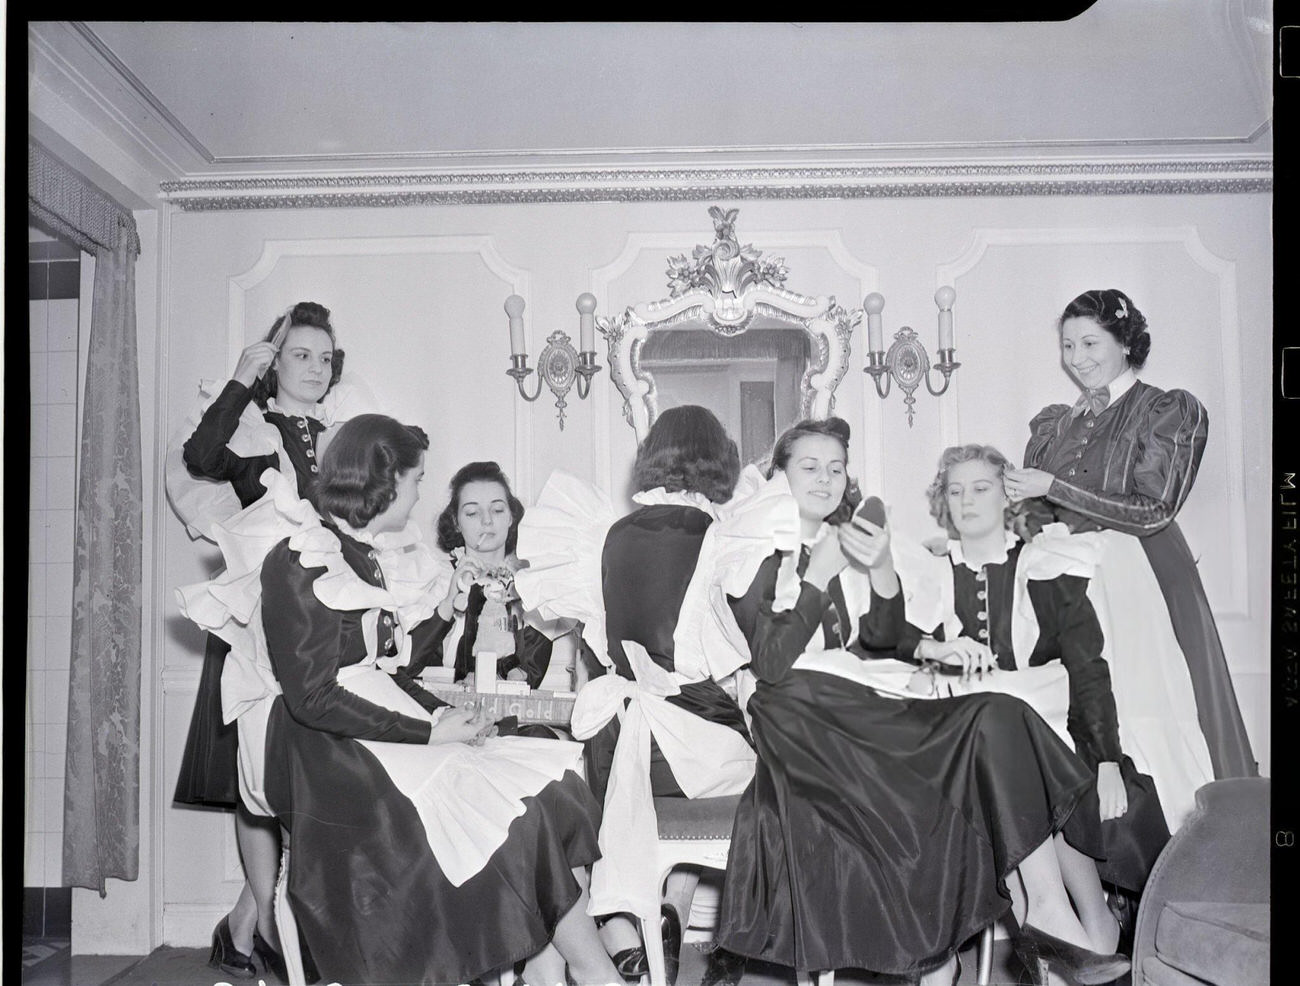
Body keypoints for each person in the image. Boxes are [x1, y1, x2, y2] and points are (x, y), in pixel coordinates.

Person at [714, 418, 1130, 986]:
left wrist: (880, 568)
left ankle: (1049, 914)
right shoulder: (750, 544)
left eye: (836, 468)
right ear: (778, 475)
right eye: (809, 467)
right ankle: (963, 953)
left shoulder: (839, 543)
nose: (826, 479)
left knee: (998, 713)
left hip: (853, 698)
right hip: (797, 714)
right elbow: (769, 662)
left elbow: (881, 637)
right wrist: (817, 580)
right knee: (951, 762)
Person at [253, 414, 620, 986]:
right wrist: (430, 731)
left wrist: (443, 711)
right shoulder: (301, 556)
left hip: (372, 728)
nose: (419, 491)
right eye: (416, 478)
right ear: (387, 479)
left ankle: (557, 968)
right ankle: (592, 970)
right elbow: (314, 697)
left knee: (559, 788)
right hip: (329, 756)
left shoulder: (358, 551)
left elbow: (386, 666)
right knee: (515, 817)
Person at [514, 405, 757, 985]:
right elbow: (744, 652)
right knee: (771, 777)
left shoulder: (604, 535)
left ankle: (636, 920)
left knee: (618, 807)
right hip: (694, 745)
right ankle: (674, 906)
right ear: (719, 461)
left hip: (619, 744)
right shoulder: (721, 539)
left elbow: (601, 652)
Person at [168, 301, 366, 981]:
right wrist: (239, 381)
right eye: (300, 355)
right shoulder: (254, 431)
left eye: (324, 357)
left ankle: (248, 924)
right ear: (274, 363)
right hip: (262, 622)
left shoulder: (343, 435)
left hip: (329, 623)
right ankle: (273, 926)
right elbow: (199, 456)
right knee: (256, 778)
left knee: (308, 778)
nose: (315, 368)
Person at [897, 444, 1177, 918]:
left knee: (1027, 771)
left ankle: (1069, 923)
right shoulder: (928, 572)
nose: (966, 500)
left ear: (1007, 497)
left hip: (1053, 733)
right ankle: (1064, 927)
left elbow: (1087, 663)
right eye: (955, 490)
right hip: (961, 743)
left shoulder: (1046, 563)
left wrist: (1108, 759)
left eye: (981, 488)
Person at [1004, 288, 1256, 780]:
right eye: (1068, 345)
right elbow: (1036, 510)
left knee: (1152, 703)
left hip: (1143, 574)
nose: (1077, 359)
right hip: (1073, 582)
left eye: (1090, 344)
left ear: (1125, 342)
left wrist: (1053, 486)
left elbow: (1154, 511)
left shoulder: (1166, 410)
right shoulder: (1056, 424)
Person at [391, 461, 553, 693]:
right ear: (456, 522)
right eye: (472, 512)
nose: (487, 521)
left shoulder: (533, 584)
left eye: (497, 510)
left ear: (511, 518)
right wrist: (448, 602)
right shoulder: (434, 577)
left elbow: (528, 678)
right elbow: (406, 666)